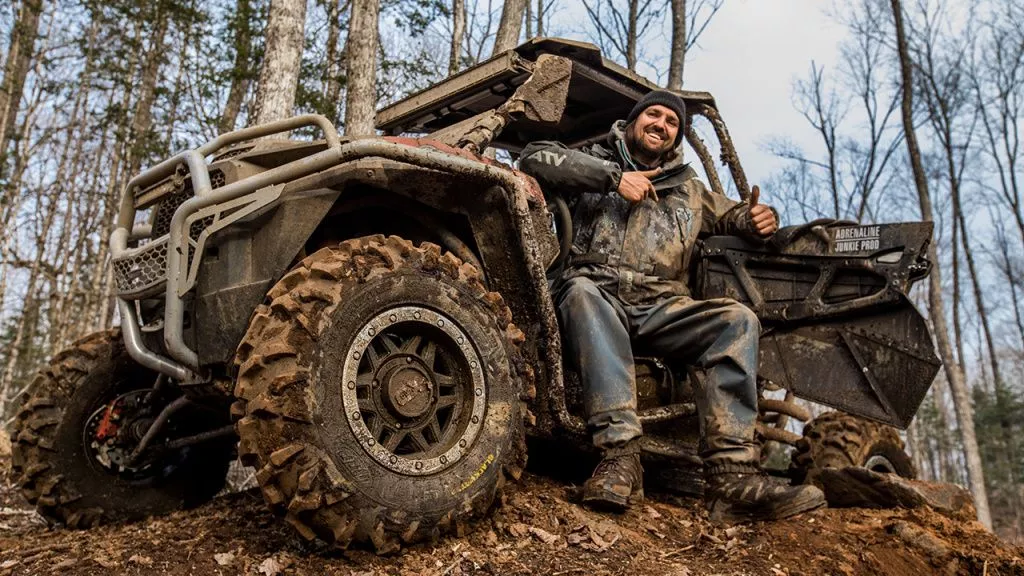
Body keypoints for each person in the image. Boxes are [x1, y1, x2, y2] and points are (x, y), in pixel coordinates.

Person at [519, 90, 826, 523]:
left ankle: (731, 479)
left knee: (736, 321)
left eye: (672, 122)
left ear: (675, 137)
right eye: (654, 115)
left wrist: (760, 219)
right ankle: (621, 457)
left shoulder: (689, 189)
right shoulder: (592, 158)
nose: (662, 124)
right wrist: (611, 177)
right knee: (582, 292)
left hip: (660, 306)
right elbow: (533, 158)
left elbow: (737, 217)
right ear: (632, 122)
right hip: (596, 294)